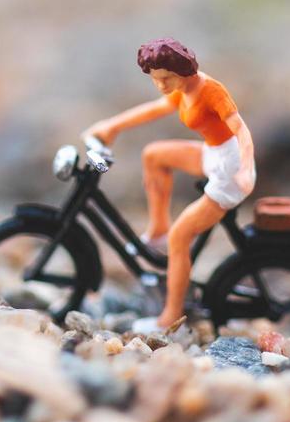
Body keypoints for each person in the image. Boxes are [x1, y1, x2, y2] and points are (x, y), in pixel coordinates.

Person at [84, 38, 256, 328]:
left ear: (183, 70)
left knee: (181, 238)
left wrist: (247, 168)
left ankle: (171, 314)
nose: (162, 85)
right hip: (213, 155)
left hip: (231, 167)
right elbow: (154, 109)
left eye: (166, 79)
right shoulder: (181, 89)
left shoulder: (210, 90)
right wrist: (111, 126)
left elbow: (241, 130)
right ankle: (158, 229)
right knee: (154, 156)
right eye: (156, 80)